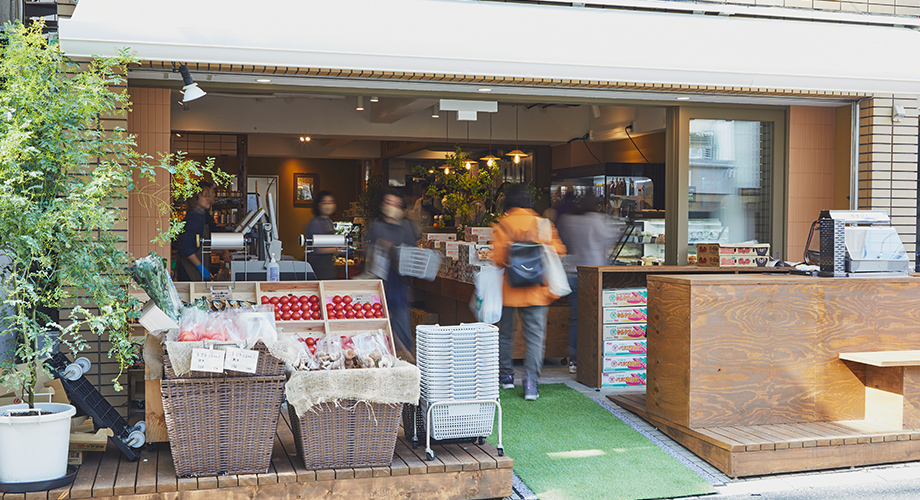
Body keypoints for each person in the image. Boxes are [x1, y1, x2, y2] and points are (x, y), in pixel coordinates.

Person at [491, 183, 566, 401]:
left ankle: (506, 378)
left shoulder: (503, 225)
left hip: (510, 291)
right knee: (534, 338)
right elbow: (559, 250)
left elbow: (498, 259)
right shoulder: (542, 223)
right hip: (537, 290)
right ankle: (531, 383)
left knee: (506, 335)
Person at [556, 192, 621, 374]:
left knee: (576, 318)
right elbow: (613, 236)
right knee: (596, 316)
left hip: (573, 272)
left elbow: (564, 240)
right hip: (594, 274)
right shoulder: (598, 220)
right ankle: (596, 356)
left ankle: (574, 360)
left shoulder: (569, 220)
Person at [367, 188, 421, 361]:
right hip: (381, 278)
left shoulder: (406, 226)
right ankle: (391, 354)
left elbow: (412, 251)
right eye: (389, 203)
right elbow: (371, 252)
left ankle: (406, 354)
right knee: (381, 316)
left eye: (396, 204)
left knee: (400, 317)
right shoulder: (377, 226)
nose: (392, 207)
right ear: (383, 205)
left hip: (400, 279)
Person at [175, 181, 231, 281]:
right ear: (195, 198)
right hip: (189, 271)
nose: (209, 199)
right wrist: (200, 267)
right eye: (205, 196)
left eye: (209, 195)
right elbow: (185, 245)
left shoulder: (201, 215)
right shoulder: (194, 217)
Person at [303, 190, 337, 281]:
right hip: (318, 268)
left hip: (328, 267)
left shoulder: (329, 221)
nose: (328, 205)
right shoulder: (315, 223)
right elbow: (315, 249)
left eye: (331, 202)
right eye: (325, 202)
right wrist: (336, 249)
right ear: (319, 205)